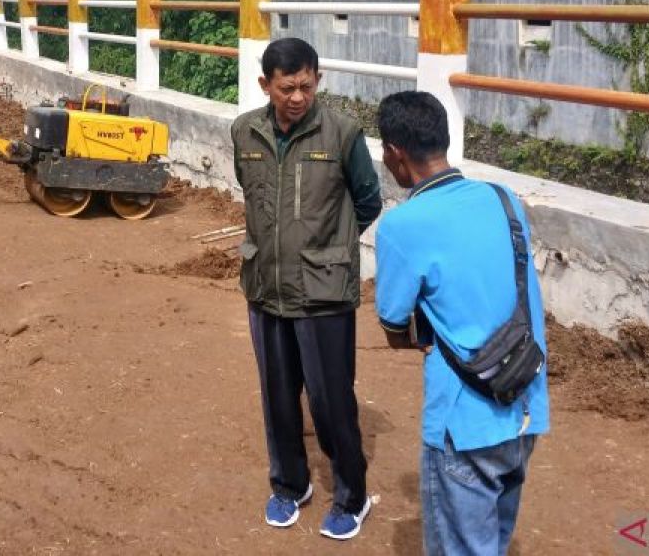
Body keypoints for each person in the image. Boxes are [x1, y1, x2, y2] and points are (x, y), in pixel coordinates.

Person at [373, 91, 549, 556]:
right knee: (493, 539)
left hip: (464, 421)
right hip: (525, 403)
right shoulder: (503, 199)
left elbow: (393, 323)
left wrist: (420, 335)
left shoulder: (403, 225)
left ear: (394, 153)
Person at [231, 37, 382, 541]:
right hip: (265, 285)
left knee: (330, 400)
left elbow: (368, 200)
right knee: (277, 396)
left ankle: (352, 496)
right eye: (286, 88)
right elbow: (251, 194)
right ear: (265, 85)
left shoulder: (342, 133)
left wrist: (328, 247)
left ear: (318, 80)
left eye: (306, 86)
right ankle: (290, 486)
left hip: (323, 293)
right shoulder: (244, 131)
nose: (298, 97)